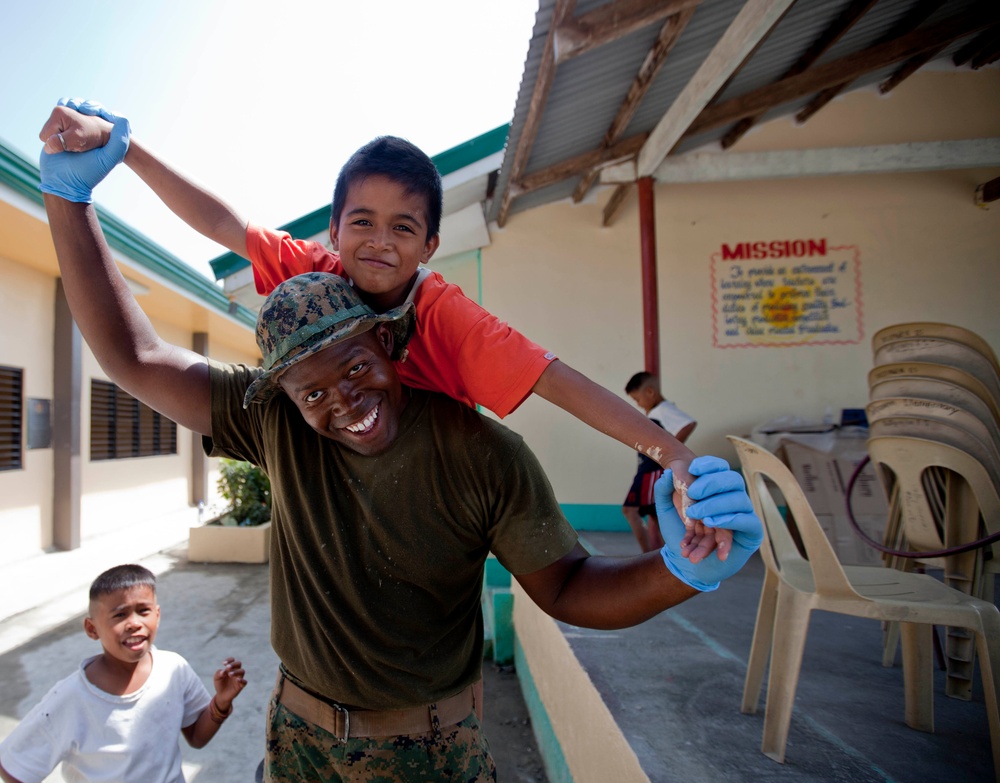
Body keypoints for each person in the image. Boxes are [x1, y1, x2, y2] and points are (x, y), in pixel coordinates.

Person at [36, 113, 763, 783]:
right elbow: (137, 351)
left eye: (355, 369)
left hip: (430, 771)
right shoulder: (282, 409)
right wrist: (75, 193)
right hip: (298, 757)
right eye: (311, 389)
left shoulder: (475, 429)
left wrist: (679, 552)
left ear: (390, 339)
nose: (341, 401)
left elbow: (566, 556)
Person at [37, 98, 737, 564]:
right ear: (334, 229)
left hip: (425, 474)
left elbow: (558, 381)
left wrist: (666, 453)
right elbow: (224, 224)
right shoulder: (314, 274)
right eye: (361, 222)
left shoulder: (448, 317)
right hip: (342, 465)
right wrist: (127, 150)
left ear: (431, 244)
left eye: (403, 227)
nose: (379, 241)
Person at [0, 564, 247, 783]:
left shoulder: (173, 669)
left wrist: (220, 703)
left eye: (143, 611)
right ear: (92, 629)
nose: (134, 623)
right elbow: (11, 762)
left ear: (158, 614)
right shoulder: (71, 699)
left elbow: (197, 737)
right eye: (119, 614)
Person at [622, 371, 697, 552]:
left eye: (637, 399)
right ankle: (667, 553)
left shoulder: (663, 410)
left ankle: (648, 554)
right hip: (647, 469)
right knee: (657, 513)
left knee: (630, 510)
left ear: (650, 392)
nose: (638, 404)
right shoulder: (656, 411)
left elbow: (688, 423)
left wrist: (671, 451)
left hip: (651, 470)